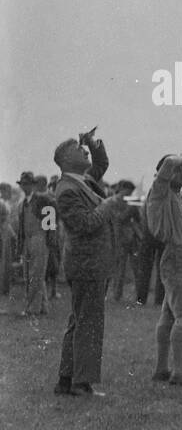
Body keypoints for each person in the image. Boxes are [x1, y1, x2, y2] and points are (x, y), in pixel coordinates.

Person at [52, 130, 115, 396]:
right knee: (87, 323)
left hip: (90, 264)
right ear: (66, 159)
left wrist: (91, 142)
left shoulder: (82, 181)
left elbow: (102, 164)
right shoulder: (67, 189)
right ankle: (81, 383)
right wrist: (107, 206)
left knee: (79, 321)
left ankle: (67, 380)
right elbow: (84, 224)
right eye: (79, 149)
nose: (86, 152)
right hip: (87, 265)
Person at [146, 152, 182, 387]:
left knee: (170, 314)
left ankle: (162, 368)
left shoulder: (176, 196)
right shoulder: (160, 192)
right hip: (179, 257)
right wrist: (181, 159)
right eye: (179, 170)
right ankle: (179, 372)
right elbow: (168, 165)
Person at [16, 172, 54, 316]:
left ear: (33, 185)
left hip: (39, 239)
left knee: (36, 274)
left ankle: (33, 308)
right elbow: (21, 227)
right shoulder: (23, 202)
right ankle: (43, 307)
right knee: (29, 274)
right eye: (23, 184)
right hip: (27, 240)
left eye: (27, 184)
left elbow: (51, 223)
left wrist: (49, 241)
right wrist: (20, 246)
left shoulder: (43, 200)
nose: (25, 187)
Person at [104, 180, 143, 302]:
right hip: (128, 237)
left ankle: (117, 295)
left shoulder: (111, 201)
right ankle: (138, 295)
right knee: (133, 268)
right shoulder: (131, 202)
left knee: (119, 269)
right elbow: (136, 218)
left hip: (118, 237)